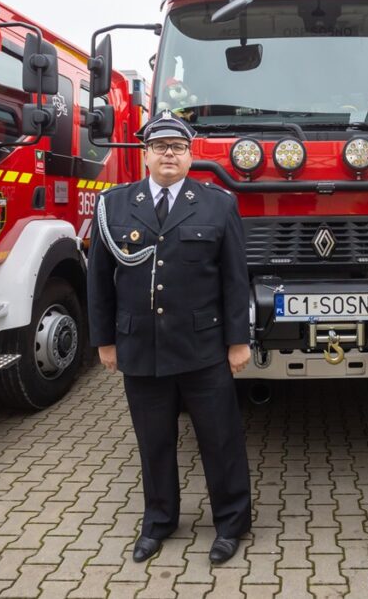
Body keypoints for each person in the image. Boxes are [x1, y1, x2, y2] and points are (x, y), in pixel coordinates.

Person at [86, 111, 252, 565]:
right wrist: (104, 341)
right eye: (160, 147)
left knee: (220, 439)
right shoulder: (113, 205)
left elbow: (235, 280)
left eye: (178, 147)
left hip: (203, 346)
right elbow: (98, 280)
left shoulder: (218, 204)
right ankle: (159, 521)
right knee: (153, 441)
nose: (169, 155)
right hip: (141, 347)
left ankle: (231, 523)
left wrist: (238, 341)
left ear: (190, 156)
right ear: (145, 155)